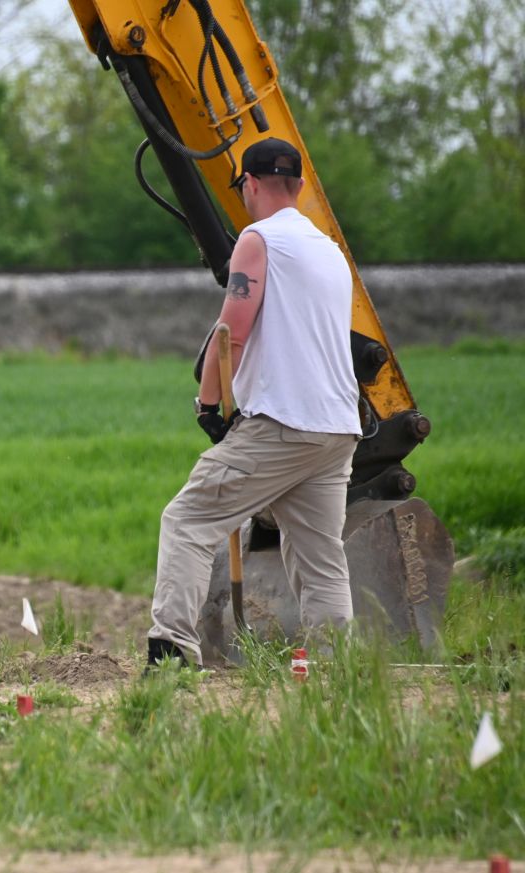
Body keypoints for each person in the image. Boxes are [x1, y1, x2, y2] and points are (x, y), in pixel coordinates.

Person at [147, 137, 361, 669]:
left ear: (251, 184)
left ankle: (172, 652)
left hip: (284, 423)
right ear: (301, 185)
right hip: (337, 429)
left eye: (243, 186)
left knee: (189, 519)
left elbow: (232, 331)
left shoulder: (257, 240)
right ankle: (337, 671)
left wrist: (208, 404)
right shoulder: (330, 250)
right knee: (320, 558)